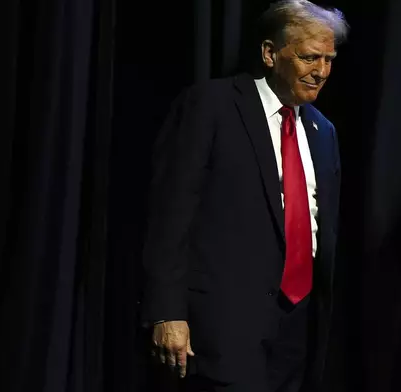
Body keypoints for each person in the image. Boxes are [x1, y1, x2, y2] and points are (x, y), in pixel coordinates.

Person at [141, 1, 348, 391]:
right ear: (270, 53)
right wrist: (165, 311)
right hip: (221, 328)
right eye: (309, 58)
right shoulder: (213, 105)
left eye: (328, 59)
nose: (321, 72)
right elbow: (170, 215)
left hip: (296, 331)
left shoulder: (324, 132)